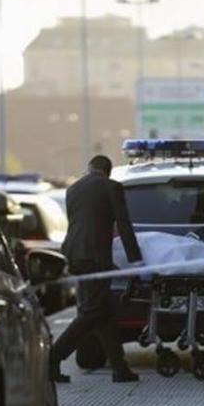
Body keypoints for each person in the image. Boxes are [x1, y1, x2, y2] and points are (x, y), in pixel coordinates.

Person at [50, 155, 143, 383]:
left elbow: (80, 224)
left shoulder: (73, 188)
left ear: (90, 168)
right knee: (92, 311)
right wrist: (135, 259)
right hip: (94, 258)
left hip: (75, 255)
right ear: (108, 171)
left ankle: (120, 369)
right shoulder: (112, 187)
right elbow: (123, 223)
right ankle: (52, 357)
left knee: (104, 312)